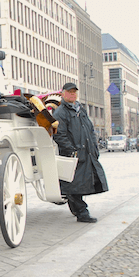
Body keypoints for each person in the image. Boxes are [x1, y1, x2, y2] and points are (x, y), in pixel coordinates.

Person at [52, 82, 108, 223]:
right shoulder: (60, 112)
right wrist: (72, 151)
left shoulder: (80, 110)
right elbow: (59, 135)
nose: (72, 94)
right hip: (74, 155)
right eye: (69, 92)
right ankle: (82, 213)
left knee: (78, 185)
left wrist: (94, 149)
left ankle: (78, 210)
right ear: (63, 93)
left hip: (86, 154)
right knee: (73, 185)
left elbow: (89, 130)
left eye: (74, 92)